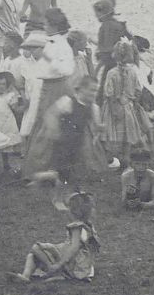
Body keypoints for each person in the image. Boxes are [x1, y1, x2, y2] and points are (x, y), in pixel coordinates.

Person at [24, 74, 108, 210]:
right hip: (63, 143)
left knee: (75, 171)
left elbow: (96, 124)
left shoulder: (93, 107)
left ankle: (50, 182)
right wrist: (53, 129)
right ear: (81, 89)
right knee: (63, 173)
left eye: (96, 91)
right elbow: (50, 114)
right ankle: (56, 198)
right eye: (91, 90)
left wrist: (100, 127)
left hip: (78, 144)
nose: (94, 93)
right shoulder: (68, 102)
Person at [11, 190, 100, 283]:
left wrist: (59, 264)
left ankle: (54, 269)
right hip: (82, 264)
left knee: (36, 248)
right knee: (33, 256)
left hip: (72, 263)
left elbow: (74, 248)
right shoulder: (88, 226)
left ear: (73, 212)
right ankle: (25, 276)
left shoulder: (76, 227)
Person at [99, 39, 152, 160]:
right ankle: (125, 158)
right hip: (128, 107)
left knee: (111, 133)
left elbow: (109, 93)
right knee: (127, 135)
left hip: (113, 106)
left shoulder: (111, 73)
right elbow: (138, 90)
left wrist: (113, 109)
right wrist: (134, 103)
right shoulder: (133, 72)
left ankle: (110, 158)